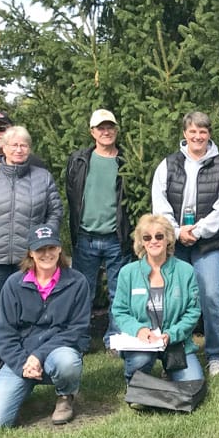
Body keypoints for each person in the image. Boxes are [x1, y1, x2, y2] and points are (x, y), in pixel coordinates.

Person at [0, 125, 63, 376]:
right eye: (13, 145)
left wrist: (43, 245)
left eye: (23, 145)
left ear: (29, 149)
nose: (18, 149)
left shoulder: (42, 177)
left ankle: (28, 361)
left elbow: (55, 212)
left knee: (29, 311)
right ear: (3, 148)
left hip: (27, 258)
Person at [0, 225, 90, 429]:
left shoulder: (77, 282)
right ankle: (20, 389)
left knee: (67, 362)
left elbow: (76, 329)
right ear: (30, 252)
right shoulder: (13, 284)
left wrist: (38, 355)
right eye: (40, 249)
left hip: (58, 352)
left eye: (51, 247)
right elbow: (4, 333)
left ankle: (65, 395)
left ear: (59, 248)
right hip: (21, 358)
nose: (47, 254)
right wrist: (23, 363)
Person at [151, 110, 219, 375]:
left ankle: (216, 354)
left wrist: (198, 231)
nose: (198, 136)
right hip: (175, 242)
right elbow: (159, 202)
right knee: (174, 296)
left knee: (210, 294)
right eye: (193, 131)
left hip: (208, 242)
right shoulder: (168, 164)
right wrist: (176, 232)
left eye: (203, 131)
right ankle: (174, 352)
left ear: (209, 134)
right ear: (185, 133)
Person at [66, 109, 131, 351]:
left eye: (110, 127)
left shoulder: (125, 161)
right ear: (92, 132)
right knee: (83, 291)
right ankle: (79, 340)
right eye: (101, 128)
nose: (106, 132)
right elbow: (71, 195)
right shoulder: (79, 161)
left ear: (116, 129)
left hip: (117, 238)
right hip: (86, 237)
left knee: (119, 292)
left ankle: (114, 338)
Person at [112, 214, 204, 384]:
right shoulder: (128, 273)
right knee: (140, 362)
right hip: (141, 342)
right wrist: (138, 330)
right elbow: (120, 310)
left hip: (176, 341)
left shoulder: (186, 271)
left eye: (159, 236)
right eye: (147, 237)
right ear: (141, 242)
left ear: (168, 239)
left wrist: (171, 335)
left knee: (193, 383)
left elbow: (193, 312)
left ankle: (169, 370)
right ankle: (134, 382)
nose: (153, 241)